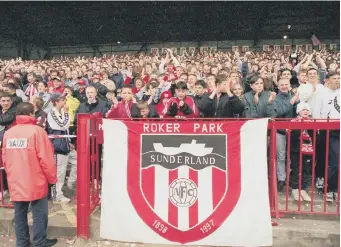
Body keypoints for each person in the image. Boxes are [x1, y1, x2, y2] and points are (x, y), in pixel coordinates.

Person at [2, 102, 58, 247]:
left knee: (19, 213)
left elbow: (5, 158)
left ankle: (22, 242)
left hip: (16, 178)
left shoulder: (8, 133)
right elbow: (46, 159)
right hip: (35, 179)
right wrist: (52, 179)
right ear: (32, 114)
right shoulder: (37, 132)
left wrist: (11, 175)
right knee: (39, 213)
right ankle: (40, 241)